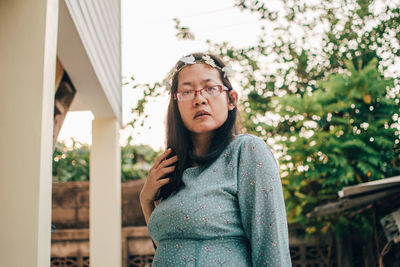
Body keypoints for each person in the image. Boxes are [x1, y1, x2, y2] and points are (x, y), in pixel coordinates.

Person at [140, 52, 291, 266]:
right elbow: (167, 247)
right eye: (187, 91)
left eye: (210, 88)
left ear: (231, 99)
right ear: (176, 103)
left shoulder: (246, 151)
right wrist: (146, 201)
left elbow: (271, 248)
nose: (200, 98)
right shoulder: (171, 168)